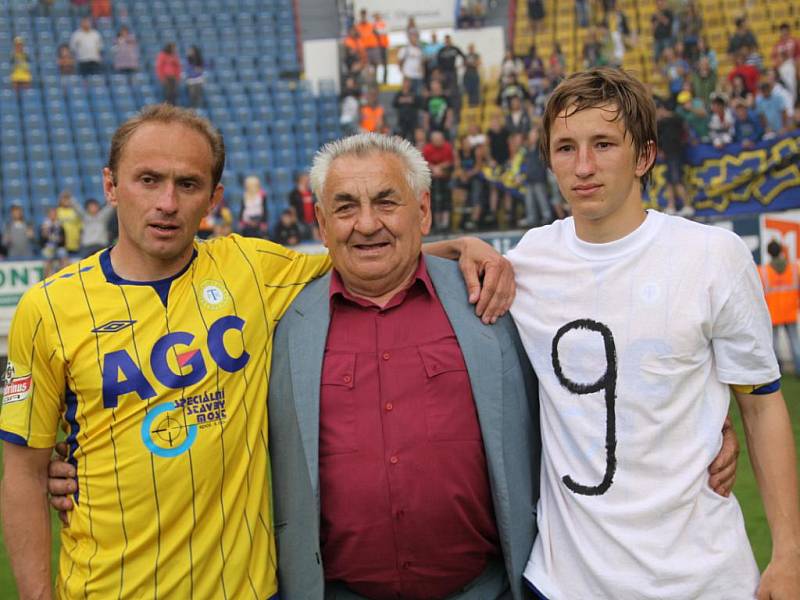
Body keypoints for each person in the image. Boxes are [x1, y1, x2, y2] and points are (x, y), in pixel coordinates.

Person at [5, 104, 512, 599]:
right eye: (148, 180)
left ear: (214, 197)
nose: (167, 203)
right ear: (111, 186)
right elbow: (23, 473)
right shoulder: (46, 309)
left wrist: (464, 246)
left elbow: (365, 254)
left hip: (246, 588)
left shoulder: (251, 268)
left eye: (188, 185)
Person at [507, 66, 800, 599]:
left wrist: (789, 556)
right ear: (548, 159)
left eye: (603, 144)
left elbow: (761, 406)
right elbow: (398, 264)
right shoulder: (528, 263)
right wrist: (464, 247)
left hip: (702, 579)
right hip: (565, 584)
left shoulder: (712, 257)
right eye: (566, 148)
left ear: (644, 155)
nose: (584, 166)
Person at [268, 132, 540, 600]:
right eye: (346, 207)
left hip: (484, 589)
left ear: (424, 210)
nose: (367, 223)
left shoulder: (492, 299)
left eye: (387, 202)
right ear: (321, 223)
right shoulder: (283, 322)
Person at [759, 240, 800, 375]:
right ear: (781, 251)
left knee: (773, 345)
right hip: (790, 311)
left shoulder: (763, 271)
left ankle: (777, 371)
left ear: (769, 253)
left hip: (773, 313)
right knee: (795, 342)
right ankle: (798, 369)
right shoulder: (794, 269)